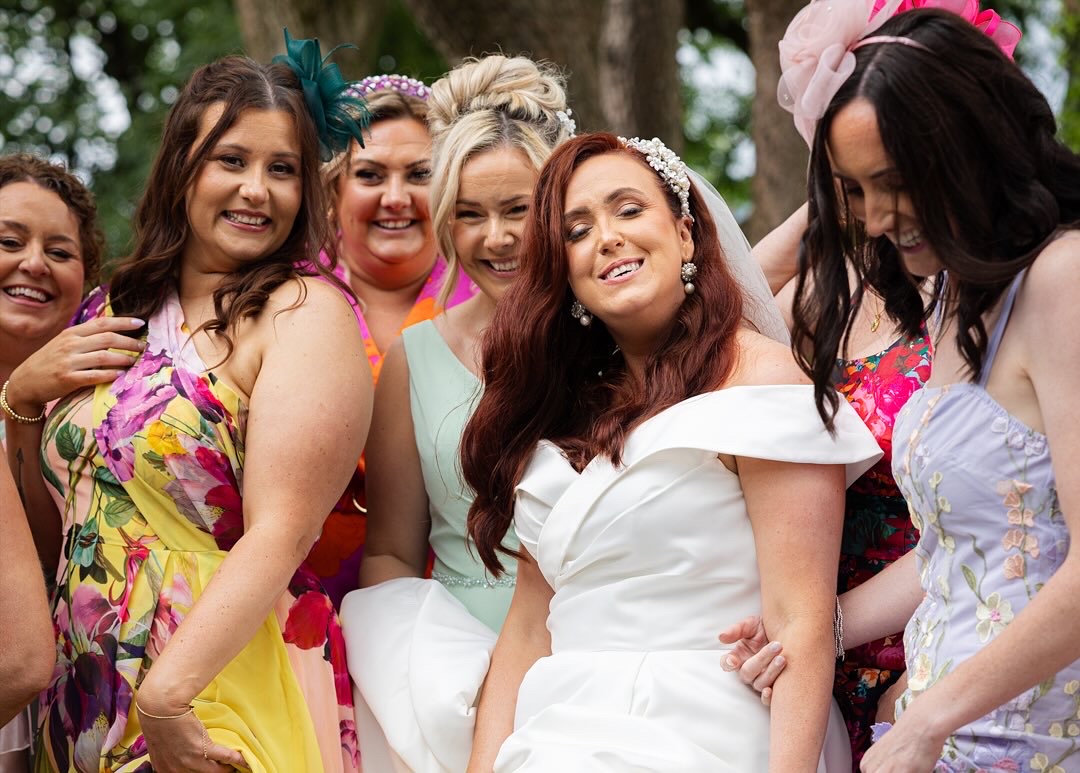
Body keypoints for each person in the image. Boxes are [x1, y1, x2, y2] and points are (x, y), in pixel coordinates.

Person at [2, 35, 372, 771]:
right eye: (231, 160)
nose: (256, 190)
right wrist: (21, 403)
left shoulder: (304, 312)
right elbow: (57, 531)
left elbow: (283, 530)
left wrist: (168, 696)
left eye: (282, 169)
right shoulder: (114, 310)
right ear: (182, 167)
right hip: (81, 685)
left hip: (211, 681)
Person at [726, 6, 1080, 771]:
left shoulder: (1064, 278)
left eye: (895, 181)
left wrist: (930, 717)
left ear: (973, 146)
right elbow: (964, 546)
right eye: (854, 190)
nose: (878, 217)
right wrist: (815, 627)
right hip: (936, 725)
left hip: (1032, 739)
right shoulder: (952, 293)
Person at [459, 132, 882, 771]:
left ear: (685, 235)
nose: (607, 238)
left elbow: (801, 621)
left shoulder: (762, 382)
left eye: (629, 210)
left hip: (711, 726)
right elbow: (525, 629)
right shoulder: (560, 412)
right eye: (577, 231)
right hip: (556, 728)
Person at [340, 54, 574, 773]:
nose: (494, 238)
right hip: (454, 678)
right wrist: (408, 675)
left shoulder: (614, 342)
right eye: (469, 214)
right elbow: (391, 550)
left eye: (517, 211)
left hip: (592, 653)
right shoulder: (413, 359)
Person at [309, 73, 476, 608]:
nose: (396, 198)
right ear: (334, 190)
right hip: (299, 592)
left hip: (454, 592)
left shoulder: (495, 297)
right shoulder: (285, 296)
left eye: (419, 174)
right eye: (370, 175)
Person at [0, 153, 104, 773]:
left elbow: (55, 551)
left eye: (60, 251)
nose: (34, 263)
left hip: (64, 694)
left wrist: (24, 405)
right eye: (9, 242)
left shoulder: (106, 411)